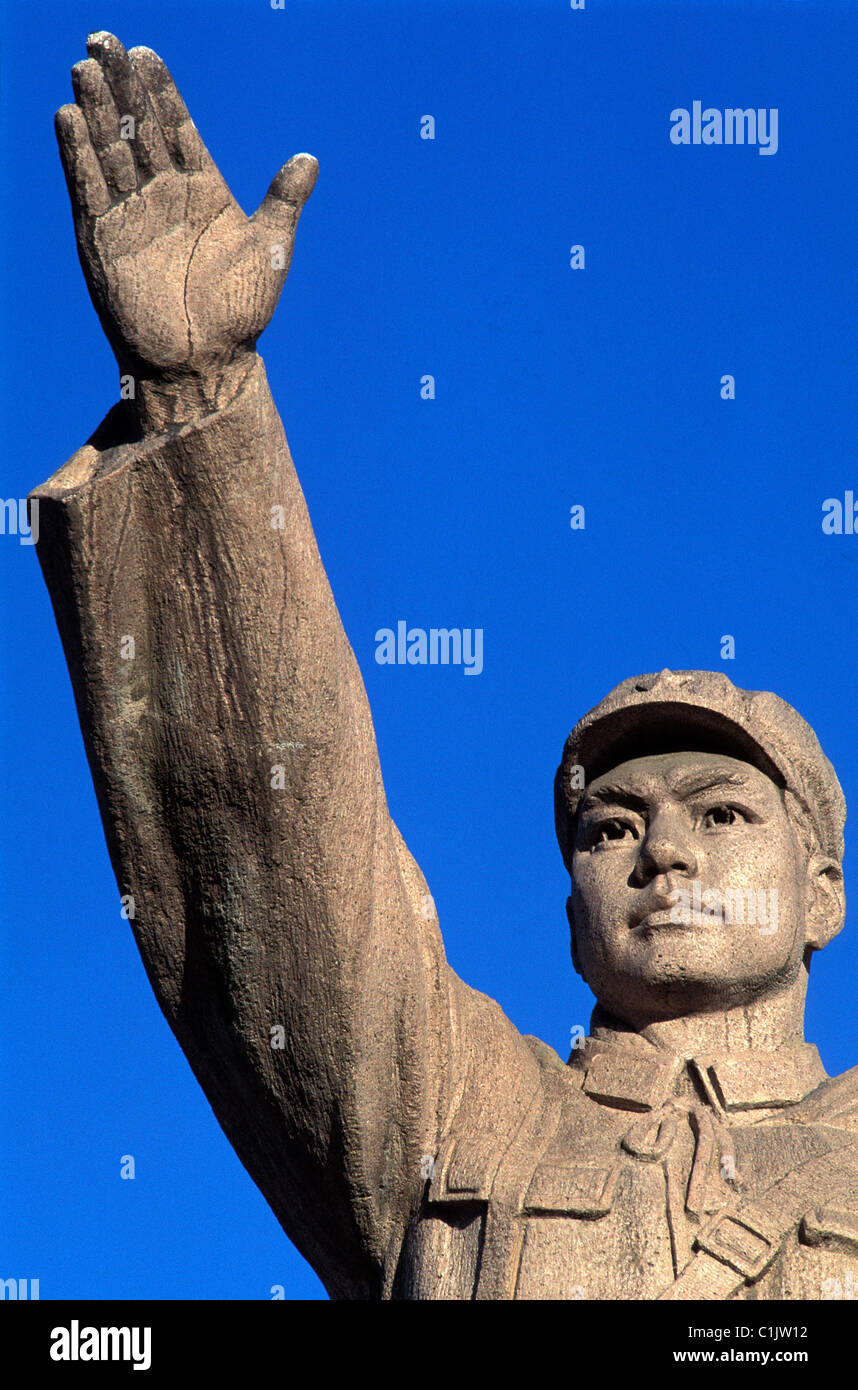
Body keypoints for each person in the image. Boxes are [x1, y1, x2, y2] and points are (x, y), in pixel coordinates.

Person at [31, 33, 858, 1300]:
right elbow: (281, 855)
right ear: (569, 916)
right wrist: (201, 399)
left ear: (824, 895)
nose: (663, 855)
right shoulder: (471, 1109)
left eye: (725, 812)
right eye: (611, 827)